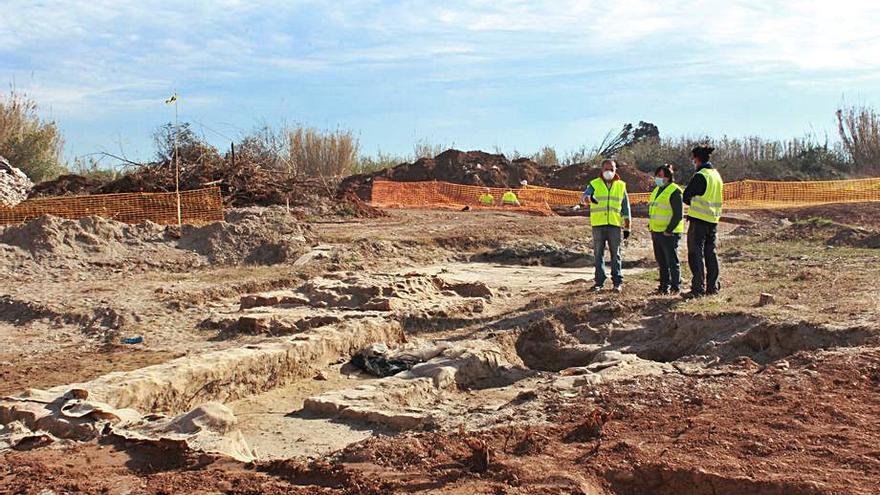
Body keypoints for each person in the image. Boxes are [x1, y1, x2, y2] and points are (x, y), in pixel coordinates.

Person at [580, 159, 631, 292]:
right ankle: (599, 283)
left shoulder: (621, 186)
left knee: (616, 254)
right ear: (601, 170)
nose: (609, 172)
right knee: (598, 254)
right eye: (606, 169)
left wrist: (627, 228)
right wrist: (590, 198)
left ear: (616, 171)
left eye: (612, 169)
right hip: (598, 225)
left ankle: (617, 283)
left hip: (614, 224)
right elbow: (584, 198)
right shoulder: (594, 184)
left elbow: (626, 209)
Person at [682, 145, 724, 298]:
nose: (694, 163)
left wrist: (692, 201)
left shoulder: (701, 175)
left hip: (699, 220)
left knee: (695, 253)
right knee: (710, 252)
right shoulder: (716, 175)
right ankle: (713, 287)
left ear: (697, 159)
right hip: (713, 220)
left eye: (694, 160)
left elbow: (686, 196)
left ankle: (698, 288)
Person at [648, 164, 684, 294]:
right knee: (661, 262)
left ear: (668, 177)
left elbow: (678, 214)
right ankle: (664, 286)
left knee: (672, 261)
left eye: (660, 176)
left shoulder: (674, 191)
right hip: (656, 232)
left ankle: (675, 286)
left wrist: (669, 230)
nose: (657, 178)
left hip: (669, 233)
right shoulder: (657, 190)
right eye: (656, 175)